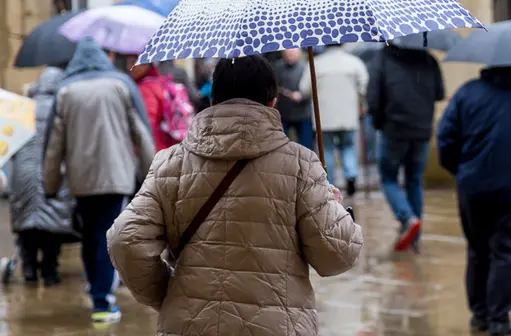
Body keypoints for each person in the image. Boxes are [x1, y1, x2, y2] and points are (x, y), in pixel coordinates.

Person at [107, 55, 363, 336]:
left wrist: (168, 293)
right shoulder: (301, 163)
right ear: (273, 101)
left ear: (214, 98)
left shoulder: (171, 163)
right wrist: (335, 209)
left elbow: (126, 239)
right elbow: (337, 256)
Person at [437, 66, 511, 336]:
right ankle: (499, 319)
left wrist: (461, 169)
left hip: (472, 187)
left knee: (477, 249)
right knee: (506, 251)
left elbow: (445, 137)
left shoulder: (467, 93)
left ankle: (480, 315)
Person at [43, 39, 155, 324]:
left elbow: (54, 145)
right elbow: (140, 133)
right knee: (107, 237)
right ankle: (103, 303)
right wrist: (150, 174)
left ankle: (97, 290)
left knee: (90, 236)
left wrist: (51, 184)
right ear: (106, 57)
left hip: (81, 180)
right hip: (117, 177)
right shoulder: (121, 85)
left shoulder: (66, 91)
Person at [367, 43, 444, 252]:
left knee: (388, 177)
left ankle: (407, 218)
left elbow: (373, 96)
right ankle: (415, 236)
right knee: (414, 179)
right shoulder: (428, 58)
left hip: (393, 129)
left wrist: (378, 122)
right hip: (422, 130)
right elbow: (439, 93)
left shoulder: (383, 57)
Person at [6, 67, 77, 286]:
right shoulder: (62, 107)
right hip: (52, 174)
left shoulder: (21, 109)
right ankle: (49, 270)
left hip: (22, 176)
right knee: (51, 226)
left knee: (26, 224)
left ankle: (28, 269)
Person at [300, 45, 368, 195]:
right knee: (348, 147)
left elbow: (304, 89)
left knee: (327, 150)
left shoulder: (316, 63)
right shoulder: (354, 62)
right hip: (348, 115)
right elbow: (363, 87)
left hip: (324, 118)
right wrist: (361, 103)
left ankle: (330, 183)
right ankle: (351, 176)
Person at [274, 49, 314, 149]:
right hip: (283, 112)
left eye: (293, 53)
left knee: (306, 146)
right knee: (282, 146)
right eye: (288, 54)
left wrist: (302, 95)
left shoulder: (306, 67)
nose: (290, 56)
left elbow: (312, 87)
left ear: (299, 54)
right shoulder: (277, 67)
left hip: (303, 112)